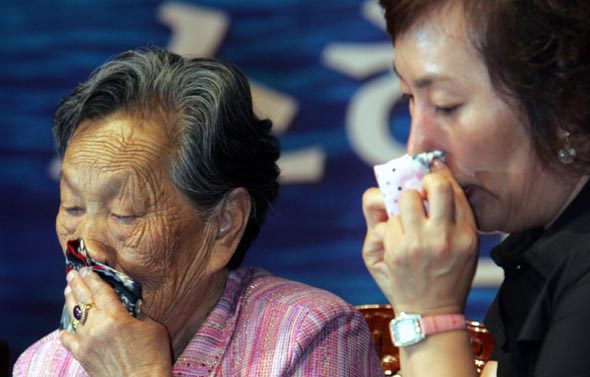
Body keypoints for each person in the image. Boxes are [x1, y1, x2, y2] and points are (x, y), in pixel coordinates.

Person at [14, 48, 383, 376]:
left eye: (124, 214)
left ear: (224, 225)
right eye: (73, 207)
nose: (88, 247)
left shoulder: (309, 337)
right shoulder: (41, 365)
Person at [362, 1, 590, 376]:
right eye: (408, 99)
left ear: (566, 104)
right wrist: (412, 299)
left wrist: (429, 315)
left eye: (445, 105)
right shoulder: (536, 251)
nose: (416, 146)